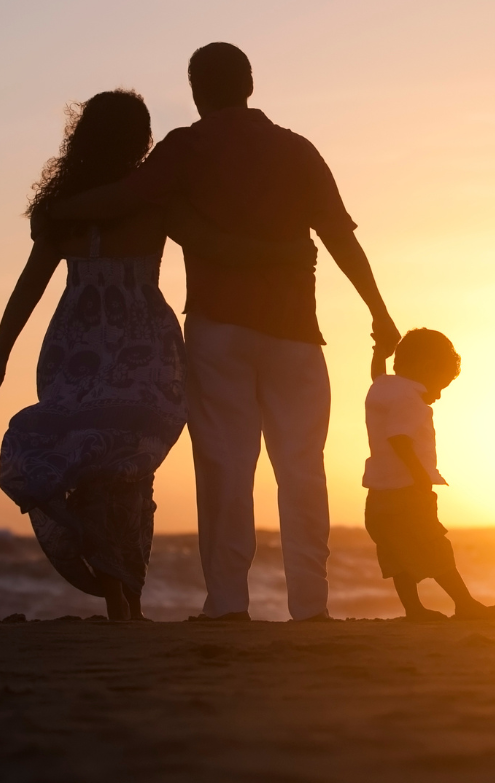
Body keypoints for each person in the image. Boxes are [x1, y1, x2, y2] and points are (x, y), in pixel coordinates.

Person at [52, 44, 400, 622]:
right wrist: (379, 314)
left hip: (220, 330)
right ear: (251, 84)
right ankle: (311, 606)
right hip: (295, 334)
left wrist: (56, 212)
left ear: (195, 89)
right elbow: (341, 238)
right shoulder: (297, 149)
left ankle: (228, 604)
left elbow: (126, 197)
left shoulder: (186, 147)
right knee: (302, 467)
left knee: (224, 466)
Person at [0, 90, 314, 621]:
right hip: (143, 346)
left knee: (94, 460)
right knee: (132, 467)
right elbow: (213, 245)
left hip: (76, 347)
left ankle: (117, 591)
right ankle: (125, 595)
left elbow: (28, 288)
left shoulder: (64, 210)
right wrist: (282, 252)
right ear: (140, 140)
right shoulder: (154, 202)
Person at [363, 328, 495, 621]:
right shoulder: (411, 400)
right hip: (407, 491)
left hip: (377, 495)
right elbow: (399, 438)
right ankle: (464, 604)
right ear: (426, 368)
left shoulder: (384, 387)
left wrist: (379, 354)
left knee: (396, 555)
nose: (436, 396)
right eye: (439, 385)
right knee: (435, 547)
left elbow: (378, 376)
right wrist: (420, 475)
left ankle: (413, 610)